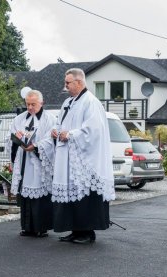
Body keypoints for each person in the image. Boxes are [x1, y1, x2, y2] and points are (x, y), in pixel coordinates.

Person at [51, 68, 115, 244]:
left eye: (68, 83)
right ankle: (75, 230)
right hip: (68, 157)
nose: (65, 86)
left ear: (79, 82)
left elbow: (93, 131)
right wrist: (56, 131)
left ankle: (87, 232)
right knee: (71, 196)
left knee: (84, 196)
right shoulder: (68, 103)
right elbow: (59, 122)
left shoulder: (91, 102)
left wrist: (70, 135)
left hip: (85, 160)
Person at [8, 89, 56, 237]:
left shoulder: (50, 119)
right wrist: (17, 138)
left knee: (40, 194)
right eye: (27, 104)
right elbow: (10, 137)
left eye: (33, 104)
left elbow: (51, 140)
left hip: (39, 162)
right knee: (25, 195)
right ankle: (27, 227)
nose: (29, 108)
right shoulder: (20, 119)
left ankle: (41, 227)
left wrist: (35, 146)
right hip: (23, 162)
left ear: (41, 103)